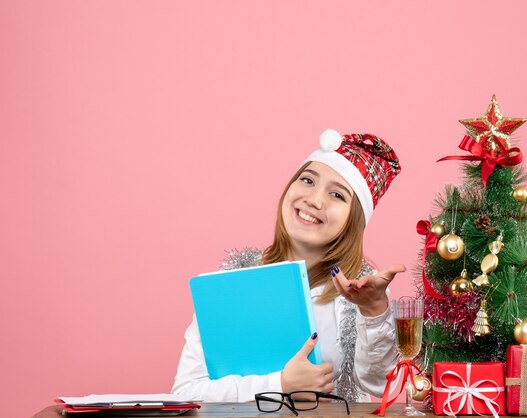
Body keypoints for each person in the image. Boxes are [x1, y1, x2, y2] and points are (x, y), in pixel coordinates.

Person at [172, 129, 404, 403]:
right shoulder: (229, 286)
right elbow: (187, 392)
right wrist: (280, 383)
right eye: (307, 180)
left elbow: (382, 384)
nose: (314, 200)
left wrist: (375, 310)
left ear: (354, 220)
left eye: (337, 195)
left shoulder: (362, 291)